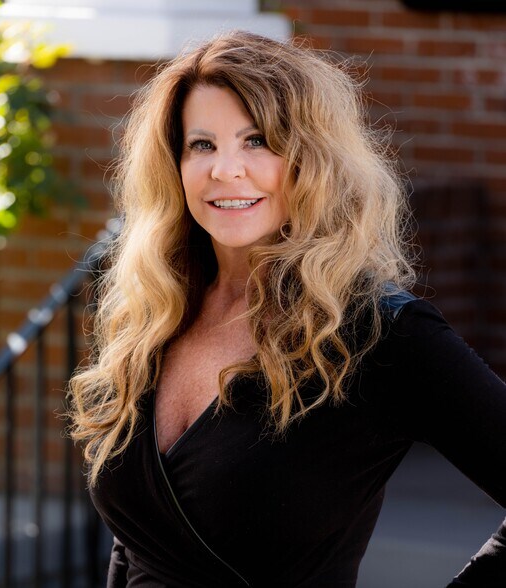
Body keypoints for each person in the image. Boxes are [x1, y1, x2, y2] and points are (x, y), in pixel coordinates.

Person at [69, 30, 506, 587]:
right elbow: (136, 541)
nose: (226, 169)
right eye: (202, 145)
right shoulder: (155, 313)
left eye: (257, 140)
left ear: (310, 159)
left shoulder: (379, 333)